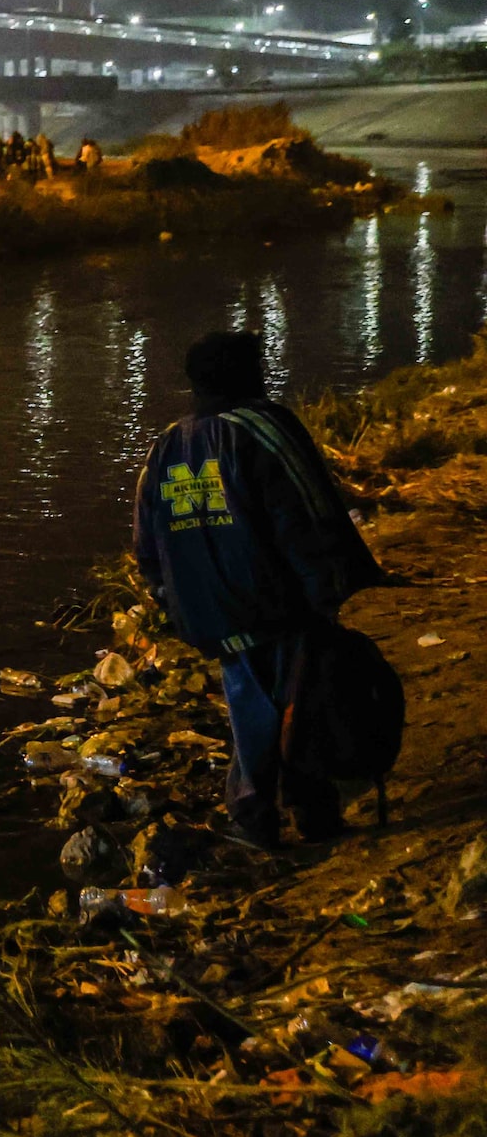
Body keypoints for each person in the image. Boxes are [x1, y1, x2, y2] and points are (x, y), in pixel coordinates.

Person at [134, 330, 384, 850]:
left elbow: (147, 545)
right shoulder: (262, 427)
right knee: (305, 704)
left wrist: (172, 600)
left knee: (250, 705)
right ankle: (307, 813)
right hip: (280, 603)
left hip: (212, 613)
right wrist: (328, 590)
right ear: (249, 374)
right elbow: (306, 514)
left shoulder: (165, 446)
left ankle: (256, 814)